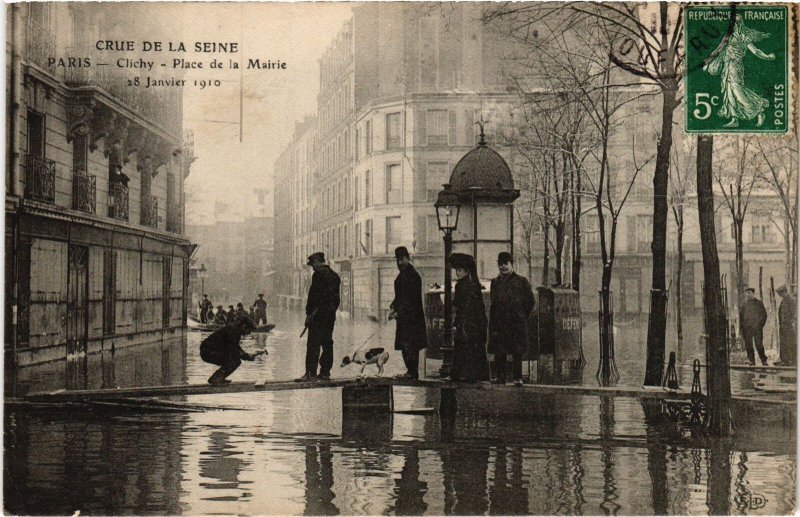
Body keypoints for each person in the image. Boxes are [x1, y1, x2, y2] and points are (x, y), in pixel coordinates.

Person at [703, 18, 775, 128]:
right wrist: (707, 63)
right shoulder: (727, 36)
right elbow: (718, 50)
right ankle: (734, 119)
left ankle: (759, 111)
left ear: (739, 24)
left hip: (736, 66)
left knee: (737, 91)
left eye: (735, 23)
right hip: (727, 67)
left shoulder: (743, 36)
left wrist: (767, 57)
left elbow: (755, 51)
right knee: (729, 91)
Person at [489, 252, 535, 386]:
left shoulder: (521, 281)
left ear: (511, 264)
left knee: (517, 351)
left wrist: (521, 315)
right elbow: (494, 302)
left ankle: (517, 378)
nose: (503, 267)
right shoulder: (495, 282)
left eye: (505, 264)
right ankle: (500, 377)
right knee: (500, 351)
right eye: (500, 264)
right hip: (499, 323)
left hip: (515, 323)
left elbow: (530, 301)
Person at [296, 252, 341, 382]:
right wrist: (330, 311)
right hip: (330, 316)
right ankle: (325, 372)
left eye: (313, 265)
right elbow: (336, 300)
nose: (312, 268)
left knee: (313, 344)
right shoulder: (335, 276)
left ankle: (310, 374)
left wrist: (309, 314)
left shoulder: (319, 274)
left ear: (317, 261)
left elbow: (313, 297)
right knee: (327, 343)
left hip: (317, 316)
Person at [389, 246, 428, 380]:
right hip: (404, 318)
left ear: (407, 258)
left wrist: (398, 312)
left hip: (412, 318)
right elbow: (399, 297)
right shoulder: (402, 275)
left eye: (402, 259)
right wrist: (393, 307)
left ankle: (412, 372)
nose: (399, 263)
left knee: (411, 345)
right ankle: (410, 371)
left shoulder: (413, 275)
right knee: (405, 345)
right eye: (398, 260)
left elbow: (410, 299)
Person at [450, 253, 489, 382]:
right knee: (469, 349)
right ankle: (470, 375)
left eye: (459, 270)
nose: (457, 273)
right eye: (456, 270)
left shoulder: (463, 285)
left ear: (466, 271)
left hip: (468, 322)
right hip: (472, 322)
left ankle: (462, 375)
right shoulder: (472, 284)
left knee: (465, 348)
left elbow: (463, 305)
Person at [200, 316, 258, 385]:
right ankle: (216, 379)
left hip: (208, 351)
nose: (249, 333)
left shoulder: (234, 330)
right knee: (235, 361)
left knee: (235, 360)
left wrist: (246, 355)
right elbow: (232, 350)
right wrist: (246, 356)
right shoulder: (234, 331)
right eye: (249, 330)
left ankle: (217, 378)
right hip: (208, 352)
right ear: (244, 326)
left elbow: (235, 347)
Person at [740, 287, 769, 366]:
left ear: (753, 293)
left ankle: (763, 360)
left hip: (757, 328)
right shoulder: (743, 304)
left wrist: (760, 325)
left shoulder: (759, 303)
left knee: (759, 344)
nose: (748, 295)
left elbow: (764, 315)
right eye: (747, 293)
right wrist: (742, 328)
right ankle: (751, 360)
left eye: (749, 293)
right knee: (748, 345)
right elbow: (741, 318)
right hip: (747, 329)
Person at [777, 286, 796, 366]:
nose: (779, 295)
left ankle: (790, 360)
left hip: (787, 324)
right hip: (783, 324)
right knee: (784, 342)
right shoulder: (784, 300)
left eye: (780, 293)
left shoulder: (790, 299)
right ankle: (784, 360)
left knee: (789, 342)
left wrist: (790, 320)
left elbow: (793, 311)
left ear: (783, 292)